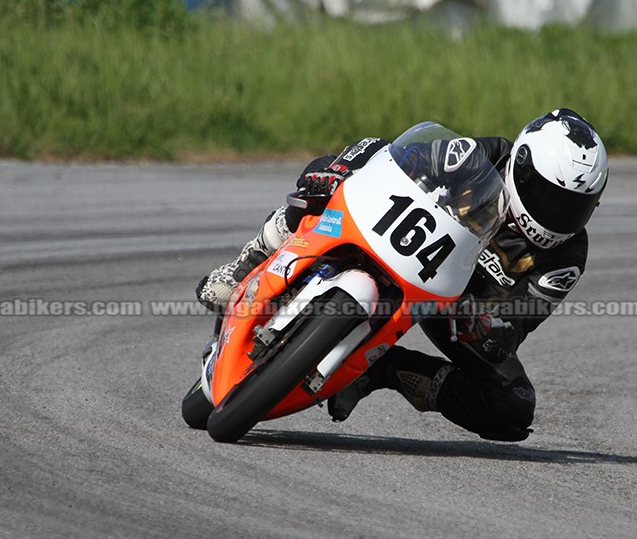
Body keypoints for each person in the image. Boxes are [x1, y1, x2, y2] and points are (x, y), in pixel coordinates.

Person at [195, 108, 609, 442]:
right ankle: (247, 264)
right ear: (520, 164)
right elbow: (395, 162)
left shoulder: (567, 256)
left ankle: (383, 368)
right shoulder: (484, 155)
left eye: (573, 206)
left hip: (457, 312)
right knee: (341, 166)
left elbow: (517, 324)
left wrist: (486, 327)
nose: (556, 214)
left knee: (513, 406)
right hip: (408, 247)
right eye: (547, 195)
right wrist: (341, 173)